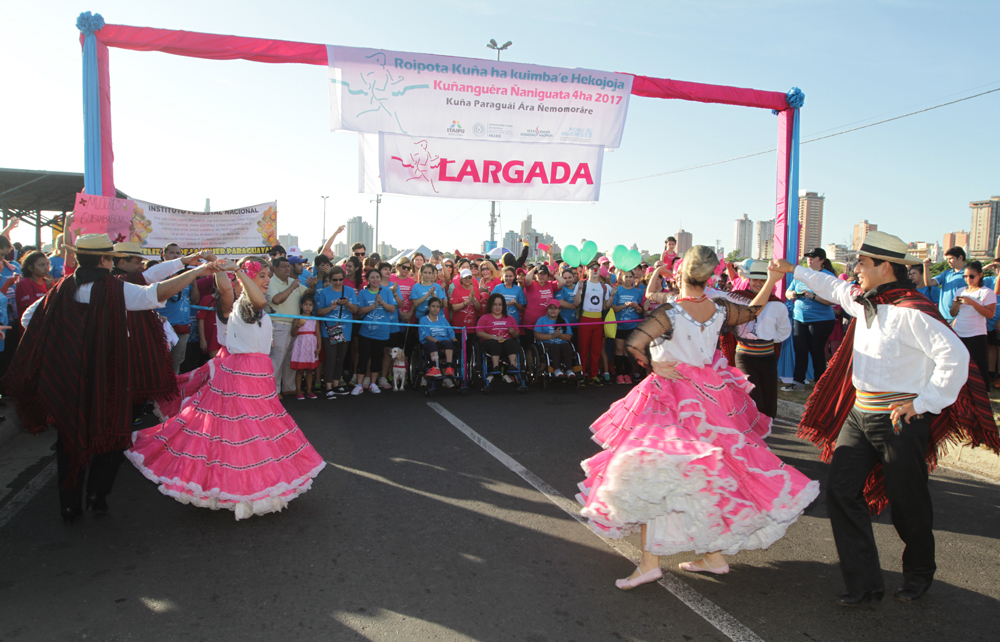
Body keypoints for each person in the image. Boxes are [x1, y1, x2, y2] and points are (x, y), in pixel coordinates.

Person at [578, 246, 818, 590]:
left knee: (653, 472)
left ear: (680, 275)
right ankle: (714, 556)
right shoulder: (718, 309)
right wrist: (775, 280)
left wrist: (652, 364)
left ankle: (651, 563)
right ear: (708, 277)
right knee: (713, 471)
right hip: (712, 396)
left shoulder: (670, 313)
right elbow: (751, 312)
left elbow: (633, 344)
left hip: (671, 398)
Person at [784, 230, 998, 606]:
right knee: (841, 491)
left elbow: (956, 358)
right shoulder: (865, 299)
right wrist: (794, 270)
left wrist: (924, 403)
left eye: (862, 264)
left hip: (900, 418)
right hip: (860, 413)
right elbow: (833, 288)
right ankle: (864, 584)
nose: (855, 270)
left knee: (907, 501)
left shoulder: (912, 311)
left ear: (885, 266)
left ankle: (919, 571)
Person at [6, 234, 220, 523]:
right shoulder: (114, 288)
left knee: (70, 437)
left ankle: (69, 506)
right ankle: (97, 496)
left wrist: (70, 338)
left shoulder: (61, 288)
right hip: (109, 375)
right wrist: (196, 271)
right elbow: (152, 294)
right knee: (113, 434)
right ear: (107, 260)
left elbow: (29, 319)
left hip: (72, 376)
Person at [125, 256, 326, 520]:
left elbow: (234, 292)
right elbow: (242, 296)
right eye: (262, 276)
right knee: (241, 433)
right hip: (241, 378)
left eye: (267, 276)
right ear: (248, 279)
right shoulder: (246, 304)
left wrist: (218, 265)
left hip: (256, 377)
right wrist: (235, 271)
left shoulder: (247, 304)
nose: (267, 281)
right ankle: (239, 488)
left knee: (255, 433)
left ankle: (252, 485)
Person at [720, 260, 791, 419]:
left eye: (762, 280)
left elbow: (784, 331)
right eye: (755, 280)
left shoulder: (777, 305)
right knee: (751, 396)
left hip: (767, 356)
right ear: (749, 280)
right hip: (744, 356)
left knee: (768, 396)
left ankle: (764, 429)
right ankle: (750, 430)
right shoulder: (737, 299)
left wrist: (768, 340)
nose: (758, 283)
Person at [782, 248, 837, 392]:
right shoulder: (801, 275)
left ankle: (820, 384)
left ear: (822, 260)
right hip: (799, 318)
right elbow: (787, 292)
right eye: (808, 257)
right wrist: (791, 294)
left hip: (821, 320)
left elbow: (833, 301)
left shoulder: (828, 276)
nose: (809, 260)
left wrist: (813, 296)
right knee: (800, 351)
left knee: (817, 351)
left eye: (813, 257)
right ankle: (797, 383)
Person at [315, 266, 358, 398]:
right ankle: (328, 385)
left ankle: (336, 384)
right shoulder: (324, 292)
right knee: (331, 359)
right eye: (335, 280)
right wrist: (331, 307)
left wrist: (347, 304)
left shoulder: (349, 291)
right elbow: (319, 312)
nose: (338, 282)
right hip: (330, 329)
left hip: (345, 328)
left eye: (340, 279)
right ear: (330, 279)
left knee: (340, 359)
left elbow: (355, 309)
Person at [352, 268, 396, 395]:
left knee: (377, 357)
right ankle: (359, 384)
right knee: (363, 357)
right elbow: (359, 311)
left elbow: (392, 309)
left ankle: (373, 383)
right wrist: (373, 306)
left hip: (382, 332)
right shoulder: (362, 293)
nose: (375, 280)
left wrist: (382, 302)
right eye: (372, 277)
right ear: (368, 279)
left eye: (377, 277)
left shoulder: (387, 292)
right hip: (365, 332)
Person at [950, 261, 996, 383]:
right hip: (959, 332)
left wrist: (973, 303)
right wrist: (956, 305)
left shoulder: (987, 292)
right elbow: (953, 313)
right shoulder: (960, 291)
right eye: (965, 276)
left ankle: (984, 396)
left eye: (971, 276)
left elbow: (990, 314)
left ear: (980, 275)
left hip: (976, 334)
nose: (968, 279)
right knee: (959, 365)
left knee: (979, 367)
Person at [265, 256, 302, 395]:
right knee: (277, 360)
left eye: (288, 266)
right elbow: (276, 299)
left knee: (289, 360)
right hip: (278, 325)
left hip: (294, 326)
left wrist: (313, 285)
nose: (288, 269)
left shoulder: (293, 281)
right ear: (275, 269)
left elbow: (307, 293)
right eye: (284, 267)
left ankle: (288, 387)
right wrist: (291, 288)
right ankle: (273, 390)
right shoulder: (271, 282)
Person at [573, 261, 611, 386]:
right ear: (587, 270)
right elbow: (577, 303)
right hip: (585, 319)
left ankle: (594, 374)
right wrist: (578, 289)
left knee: (596, 349)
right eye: (592, 268)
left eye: (597, 268)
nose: (595, 270)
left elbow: (606, 305)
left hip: (598, 320)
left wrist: (612, 296)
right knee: (583, 348)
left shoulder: (604, 286)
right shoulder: (582, 284)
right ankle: (582, 374)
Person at [476, 293, 520, 385]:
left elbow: (516, 334)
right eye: (495, 304)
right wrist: (494, 337)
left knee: (511, 341)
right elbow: (479, 333)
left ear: (503, 306)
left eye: (500, 305)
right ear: (490, 306)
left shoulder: (510, 318)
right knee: (494, 343)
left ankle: (513, 366)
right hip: (490, 344)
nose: (497, 307)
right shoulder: (484, 318)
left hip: (506, 344)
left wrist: (512, 332)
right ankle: (495, 367)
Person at [610, 269, 644, 384]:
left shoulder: (638, 292)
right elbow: (613, 308)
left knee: (628, 351)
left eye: (631, 277)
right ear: (622, 278)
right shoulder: (618, 290)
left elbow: (641, 311)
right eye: (626, 277)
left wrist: (636, 307)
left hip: (632, 326)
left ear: (634, 279)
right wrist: (624, 306)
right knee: (619, 350)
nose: (629, 279)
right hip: (619, 325)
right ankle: (619, 375)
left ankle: (627, 375)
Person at [923, 246, 967, 323]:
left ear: (960, 257)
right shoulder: (947, 273)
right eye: (947, 259)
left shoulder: (968, 274)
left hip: (959, 318)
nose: (948, 261)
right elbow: (929, 283)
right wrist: (926, 267)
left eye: (951, 258)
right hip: (942, 317)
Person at [290, 294, 321, 399]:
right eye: (306, 304)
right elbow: (293, 334)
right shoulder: (297, 318)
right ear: (301, 305)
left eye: (310, 305)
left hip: (311, 346)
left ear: (313, 306)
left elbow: (317, 334)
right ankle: (298, 390)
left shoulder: (314, 319)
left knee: (309, 370)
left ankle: (309, 390)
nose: (308, 307)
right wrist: (297, 326)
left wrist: (319, 347)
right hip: (301, 345)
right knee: (300, 370)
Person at [533, 301, 576, 378]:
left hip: (562, 343)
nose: (553, 310)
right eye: (550, 308)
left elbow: (569, 337)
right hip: (547, 344)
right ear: (547, 310)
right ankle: (556, 369)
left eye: (555, 308)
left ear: (559, 310)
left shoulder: (564, 320)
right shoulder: (541, 320)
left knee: (566, 346)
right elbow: (537, 335)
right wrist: (553, 336)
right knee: (555, 346)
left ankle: (569, 370)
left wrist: (560, 335)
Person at [419, 297, 456, 380]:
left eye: (437, 307)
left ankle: (449, 367)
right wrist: (437, 341)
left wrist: (455, 340)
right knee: (432, 344)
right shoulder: (423, 319)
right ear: (428, 307)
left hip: (443, 341)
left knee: (448, 343)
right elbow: (425, 334)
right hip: (430, 341)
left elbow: (450, 332)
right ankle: (435, 368)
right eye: (433, 306)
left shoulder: (443, 319)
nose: (435, 309)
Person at [14, 251, 53, 327]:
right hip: (31, 328)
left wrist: (50, 288)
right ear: (30, 267)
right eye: (41, 265)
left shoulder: (48, 282)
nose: (46, 268)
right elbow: (33, 309)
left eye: (47, 264)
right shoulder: (25, 283)